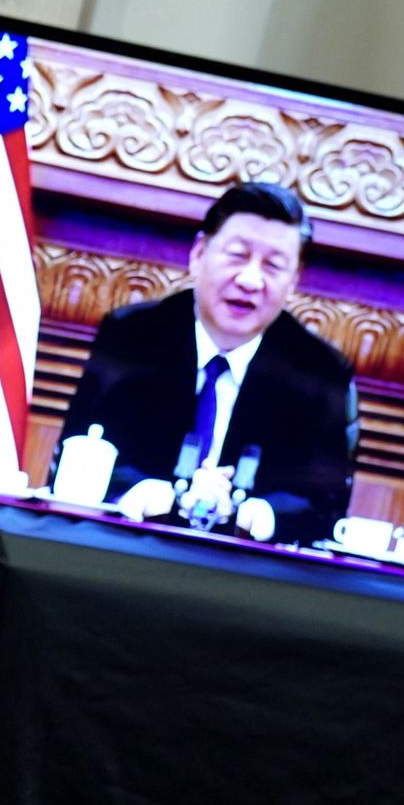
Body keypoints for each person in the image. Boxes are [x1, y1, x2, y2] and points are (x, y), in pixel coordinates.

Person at [57, 182, 356, 545]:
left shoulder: (319, 371)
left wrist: (250, 513)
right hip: (126, 549)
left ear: (293, 282)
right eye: (236, 255)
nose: (250, 280)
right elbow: (80, 453)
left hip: (246, 575)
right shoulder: (134, 335)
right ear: (199, 253)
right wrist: (155, 493)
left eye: (274, 266)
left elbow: (322, 505)